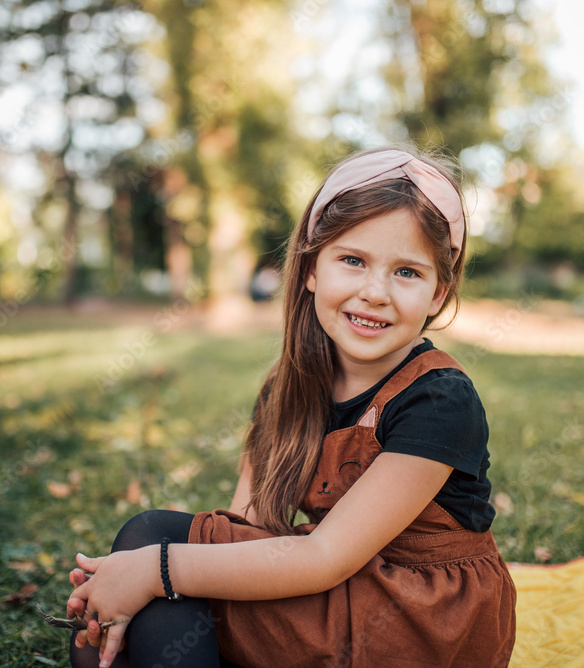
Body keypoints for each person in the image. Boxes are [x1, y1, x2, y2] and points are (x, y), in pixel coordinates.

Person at [64, 145, 517, 668]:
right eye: (353, 260)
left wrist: (154, 570)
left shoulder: (439, 400)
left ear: (439, 293)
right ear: (310, 270)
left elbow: (324, 558)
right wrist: (139, 578)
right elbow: (247, 527)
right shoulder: (289, 387)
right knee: (121, 609)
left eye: (407, 272)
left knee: (152, 549)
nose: (375, 292)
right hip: (342, 591)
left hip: (421, 623)